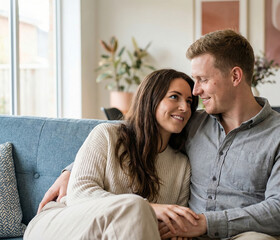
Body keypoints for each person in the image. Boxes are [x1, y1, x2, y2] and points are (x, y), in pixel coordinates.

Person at [38, 30, 280, 240]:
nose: (195, 94)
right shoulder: (193, 124)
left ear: (236, 76)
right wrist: (71, 171)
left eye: (202, 80)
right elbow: (137, 133)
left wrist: (203, 224)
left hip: (242, 234)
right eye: (192, 86)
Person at [24, 69, 199, 240]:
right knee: (137, 207)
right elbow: (78, 194)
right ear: (150, 99)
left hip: (116, 233)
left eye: (189, 101)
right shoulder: (107, 134)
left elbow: (174, 221)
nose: (185, 107)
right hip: (61, 223)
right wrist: (149, 208)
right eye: (174, 97)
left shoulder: (181, 165)